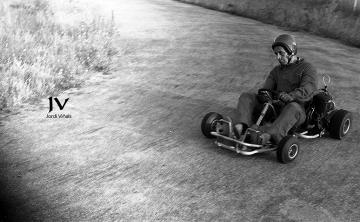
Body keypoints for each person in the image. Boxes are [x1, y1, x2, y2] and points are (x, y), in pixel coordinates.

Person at [233, 34, 318, 145]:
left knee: (292, 107)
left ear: (291, 51)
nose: (278, 57)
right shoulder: (276, 70)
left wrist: (291, 96)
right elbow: (266, 88)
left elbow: (308, 88)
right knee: (246, 96)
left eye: (281, 53)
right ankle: (241, 126)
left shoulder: (307, 68)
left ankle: (268, 135)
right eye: (276, 54)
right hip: (275, 107)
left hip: (297, 111)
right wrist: (265, 94)